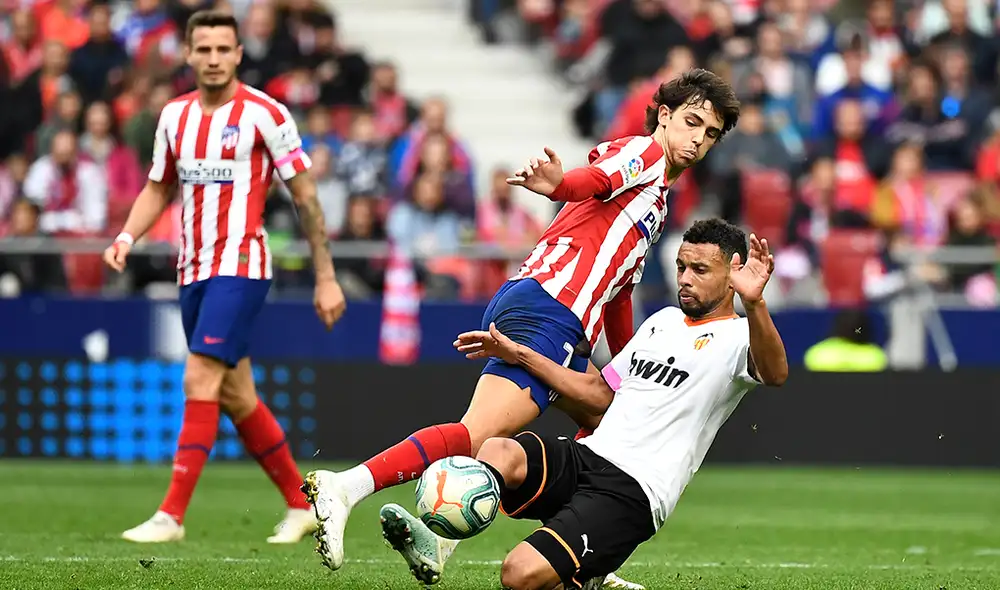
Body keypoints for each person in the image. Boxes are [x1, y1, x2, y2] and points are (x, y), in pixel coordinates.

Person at [303, 69, 741, 586]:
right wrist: (559, 184)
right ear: (664, 115)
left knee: (605, 429)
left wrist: (625, 369)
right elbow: (591, 181)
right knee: (479, 434)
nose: (698, 139)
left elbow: (621, 289)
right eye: (692, 122)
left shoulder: (657, 199)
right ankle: (347, 486)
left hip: (566, 322)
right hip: (551, 305)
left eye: (710, 133)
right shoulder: (643, 155)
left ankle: (568, 559)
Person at [103, 10, 347, 544]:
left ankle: (170, 515)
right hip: (191, 271)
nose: (213, 59)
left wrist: (325, 277)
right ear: (188, 55)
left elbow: (305, 197)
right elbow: (157, 187)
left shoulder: (266, 114)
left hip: (242, 266)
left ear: (239, 54)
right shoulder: (173, 117)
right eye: (203, 49)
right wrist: (126, 236)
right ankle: (301, 503)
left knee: (199, 377)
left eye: (223, 49)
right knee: (237, 397)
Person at [443, 219, 788, 589]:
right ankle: (442, 539)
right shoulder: (663, 321)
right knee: (498, 451)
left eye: (700, 270)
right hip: (589, 455)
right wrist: (520, 355)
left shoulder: (739, 336)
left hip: (633, 488)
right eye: (681, 267)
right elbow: (600, 393)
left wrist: (755, 303)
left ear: (733, 272)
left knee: (519, 574)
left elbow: (774, 373)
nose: (685, 279)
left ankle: (584, 572)